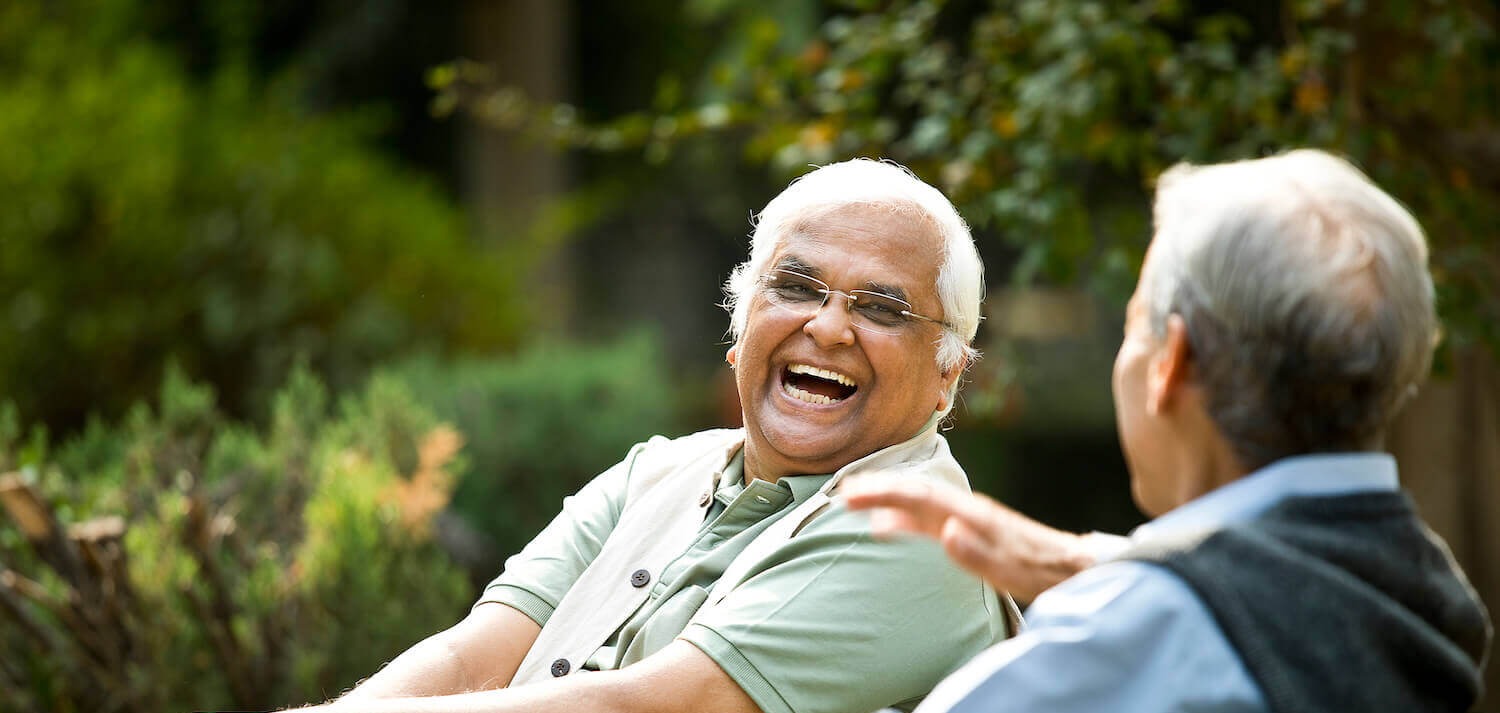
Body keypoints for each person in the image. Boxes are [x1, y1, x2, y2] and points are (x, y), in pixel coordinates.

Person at [296, 159, 1012, 713]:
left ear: (947, 374)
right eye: (795, 287)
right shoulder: (656, 472)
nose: (827, 327)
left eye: (881, 307)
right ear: (740, 329)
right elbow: (470, 657)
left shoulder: (918, 531)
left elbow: (640, 707)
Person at [844, 149, 1493, 712]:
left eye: (1134, 323)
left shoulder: (1138, 630)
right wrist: (1099, 561)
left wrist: (1135, 584)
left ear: (1171, 361)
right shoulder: (1429, 591)